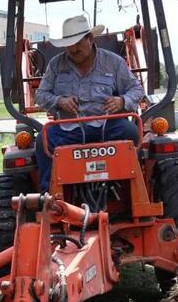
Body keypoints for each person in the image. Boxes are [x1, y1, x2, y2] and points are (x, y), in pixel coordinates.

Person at [35, 15, 145, 191]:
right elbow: (40, 96)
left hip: (108, 125)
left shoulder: (113, 62)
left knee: (132, 132)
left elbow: (137, 90)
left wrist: (122, 101)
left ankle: (132, 191)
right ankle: (50, 196)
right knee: (44, 140)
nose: (73, 49)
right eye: (69, 44)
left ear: (90, 39)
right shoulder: (56, 65)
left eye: (78, 43)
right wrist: (60, 101)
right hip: (69, 127)